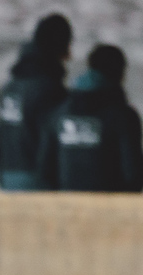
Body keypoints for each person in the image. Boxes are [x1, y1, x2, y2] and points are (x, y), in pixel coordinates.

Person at [36, 44, 143, 192]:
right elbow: (132, 173)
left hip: (66, 201)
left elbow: (44, 171)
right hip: (109, 202)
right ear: (120, 72)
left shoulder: (58, 113)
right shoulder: (124, 117)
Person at [0, 13, 73, 190]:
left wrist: (3, 177)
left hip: (8, 177)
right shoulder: (49, 89)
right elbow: (52, 144)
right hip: (37, 182)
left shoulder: (11, 87)